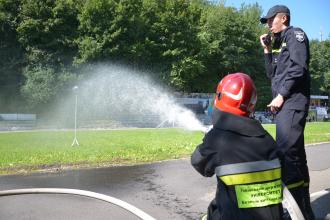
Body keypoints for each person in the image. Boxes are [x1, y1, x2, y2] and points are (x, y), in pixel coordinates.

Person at [191, 73, 283, 220]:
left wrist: (211, 137)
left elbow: (198, 163)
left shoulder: (217, 139)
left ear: (220, 97)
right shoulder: (268, 139)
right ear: (252, 104)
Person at [259, 5, 315, 220]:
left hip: (292, 101)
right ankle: (304, 209)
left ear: (283, 18)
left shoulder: (295, 35)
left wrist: (281, 95)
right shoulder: (278, 42)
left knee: (285, 153)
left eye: (270, 19)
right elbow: (271, 74)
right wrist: (266, 50)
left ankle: (294, 211)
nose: (268, 24)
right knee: (296, 156)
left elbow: (299, 67)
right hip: (284, 104)